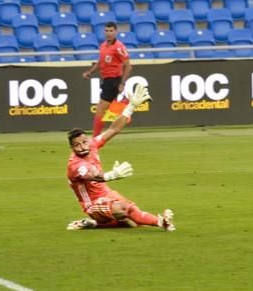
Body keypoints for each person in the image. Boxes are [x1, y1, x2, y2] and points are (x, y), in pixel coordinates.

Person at [66, 84, 175, 231]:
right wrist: (113, 174)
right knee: (124, 209)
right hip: (92, 204)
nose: (83, 147)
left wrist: (130, 107)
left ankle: (163, 223)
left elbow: (114, 128)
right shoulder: (75, 165)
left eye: (84, 142)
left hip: (107, 194)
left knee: (131, 220)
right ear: (72, 148)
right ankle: (161, 223)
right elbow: (95, 176)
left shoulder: (92, 145)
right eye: (77, 145)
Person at [82, 21, 132, 137]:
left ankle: (95, 138)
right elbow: (101, 62)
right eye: (106, 31)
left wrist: (122, 83)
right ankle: (126, 115)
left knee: (100, 109)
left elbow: (128, 66)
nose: (108, 33)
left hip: (114, 80)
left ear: (115, 32)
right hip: (106, 80)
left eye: (111, 31)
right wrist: (90, 72)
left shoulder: (119, 47)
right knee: (109, 108)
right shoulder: (103, 45)